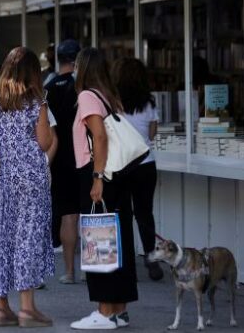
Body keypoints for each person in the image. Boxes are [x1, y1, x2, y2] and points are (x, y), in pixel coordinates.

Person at [0, 47, 55, 328]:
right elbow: (44, 143)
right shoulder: (37, 101)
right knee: (27, 239)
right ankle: (27, 308)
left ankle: (1, 307)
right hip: (29, 180)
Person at [70, 48, 137, 330]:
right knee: (118, 238)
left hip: (99, 173)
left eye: (76, 65)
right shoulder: (109, 96)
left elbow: (98, 135)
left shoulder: (87, 96)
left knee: (98, 238)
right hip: (117, 174)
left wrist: (97, 177)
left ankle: (104, 310)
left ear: (84, 68)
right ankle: (119, 309)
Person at [111, 57, 163, 282]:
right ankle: (151, 259)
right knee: (144, 213)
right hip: (145, 164)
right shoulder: (149, 102)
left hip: (121, 165)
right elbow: (152, 135)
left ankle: (126, 263)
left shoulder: (113, 101)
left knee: (122, 214)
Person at [45, 39, 82, 285]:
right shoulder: (84, 87)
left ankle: (69, 271)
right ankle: (94, 267)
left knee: (67, 215)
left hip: (59, 158)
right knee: (90, 214)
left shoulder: (48, 87)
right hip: (85, 157)